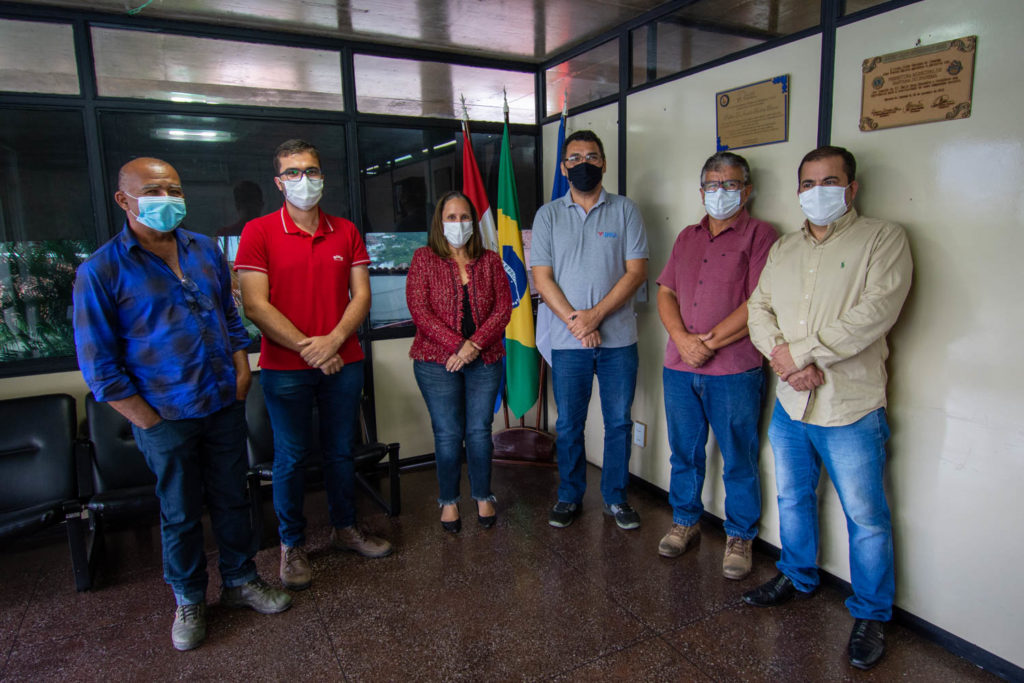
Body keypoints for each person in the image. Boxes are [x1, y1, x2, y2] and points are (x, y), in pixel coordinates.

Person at [73, 157, 292, 652]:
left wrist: (241, 373)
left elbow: (230, 319)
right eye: (154, 190)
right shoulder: (101, 271)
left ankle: (240, 581)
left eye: (174, 189)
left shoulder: (205, 250)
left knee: (234, 498)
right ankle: (190, 598)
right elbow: (100, 368)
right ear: (123, 200)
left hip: (221, 403)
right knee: (179, 512)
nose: (167, 199)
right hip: (165, 416)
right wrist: (148, 422)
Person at [743, 146, 913, 670]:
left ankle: (870, 612)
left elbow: (875, 313)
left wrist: (803, 352)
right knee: (793, 497)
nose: (819, 192)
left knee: (866, 517)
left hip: (851, 407)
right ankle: (798, 575)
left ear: (852, 187)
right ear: (798, 190)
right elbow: (758, 308)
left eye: (830, 181)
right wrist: (787, 362)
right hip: (791, 402)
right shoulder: (785, 249)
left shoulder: (883, 239)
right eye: (809, 183)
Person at [235, 139, 392, 592]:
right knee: (290, 456)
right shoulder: (258, 232)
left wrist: (335, 341)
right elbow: (255, 305)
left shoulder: (345, 231)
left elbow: (361, 296)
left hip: (344, 361)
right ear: (279, 182)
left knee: (341, 449)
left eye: (313, 170)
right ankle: (292, 545)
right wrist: (311, 348)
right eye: (294, 172)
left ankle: (346, 529)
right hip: (285, 368)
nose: (305, 180)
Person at [655, 152, 777, 579]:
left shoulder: (762, 235)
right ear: (700, 189)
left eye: (730, 185)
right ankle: (684, 522)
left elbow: (759, 302)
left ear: (746, 190)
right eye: (711, 184)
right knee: (683, 454)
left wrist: (709, 343)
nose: (719, 192)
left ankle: (740, 535)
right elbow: (666, 293)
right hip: (679, 366)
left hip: (735, 371)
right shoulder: (687, 236)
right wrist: (684, 342)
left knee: (738, 458)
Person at [530, 130, 649, 530]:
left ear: (604, 163)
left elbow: (636, 273)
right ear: (564, 167)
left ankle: (616, 498)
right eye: (575, 157)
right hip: (567, 341)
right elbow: (543, 279)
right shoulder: (547, 215)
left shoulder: (625, 210)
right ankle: (569, 496)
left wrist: (595, 316)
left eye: (592, 156)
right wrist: (579, 324)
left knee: (618, 421)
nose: (584, 163)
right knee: (569, 424)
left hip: (618, 341)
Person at [406, 191, 512, 532]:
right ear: (440, 222)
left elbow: (503, 310)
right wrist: (457, 345)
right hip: (435, 361)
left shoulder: (491, 261)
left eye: (464, 217)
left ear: (473, 222)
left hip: (485, 359)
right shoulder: (423, 259)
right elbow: (420, 311)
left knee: (479, 431)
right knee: (448, 433)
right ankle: (449, 502)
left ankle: (482, 495)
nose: (458, 224)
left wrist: (474, 346)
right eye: (451, 218)